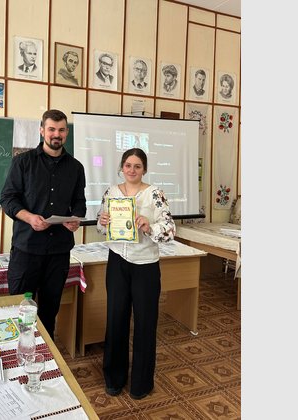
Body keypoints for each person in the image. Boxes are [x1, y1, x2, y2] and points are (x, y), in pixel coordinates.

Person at [96, 148, 176, 400]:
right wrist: (103, 222)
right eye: (128, 165)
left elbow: (169, 230)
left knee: (145, 323)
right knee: (115, 319)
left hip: (145, 265)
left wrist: (149, 226)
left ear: (144, 169)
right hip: (117, 261)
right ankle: (114, 378)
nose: (132, 170)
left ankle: (141, 383)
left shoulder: (155, 194)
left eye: (137, 166)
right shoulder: (111, 192)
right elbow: (100, 225)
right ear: (121, 167)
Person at [0, 109, 86, 340]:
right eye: (51, 129)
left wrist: (75, 218)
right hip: (26, 249)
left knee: (50, 310)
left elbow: (79, 202)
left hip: (59, 251)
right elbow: (7, 199)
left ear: (66, 133)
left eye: (61, 130)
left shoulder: (76, 167)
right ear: (42, 131)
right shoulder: (22, 162)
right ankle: (18, 350)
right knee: (19, 307)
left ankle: (45, 354)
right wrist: (30, 217)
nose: (56, 134)